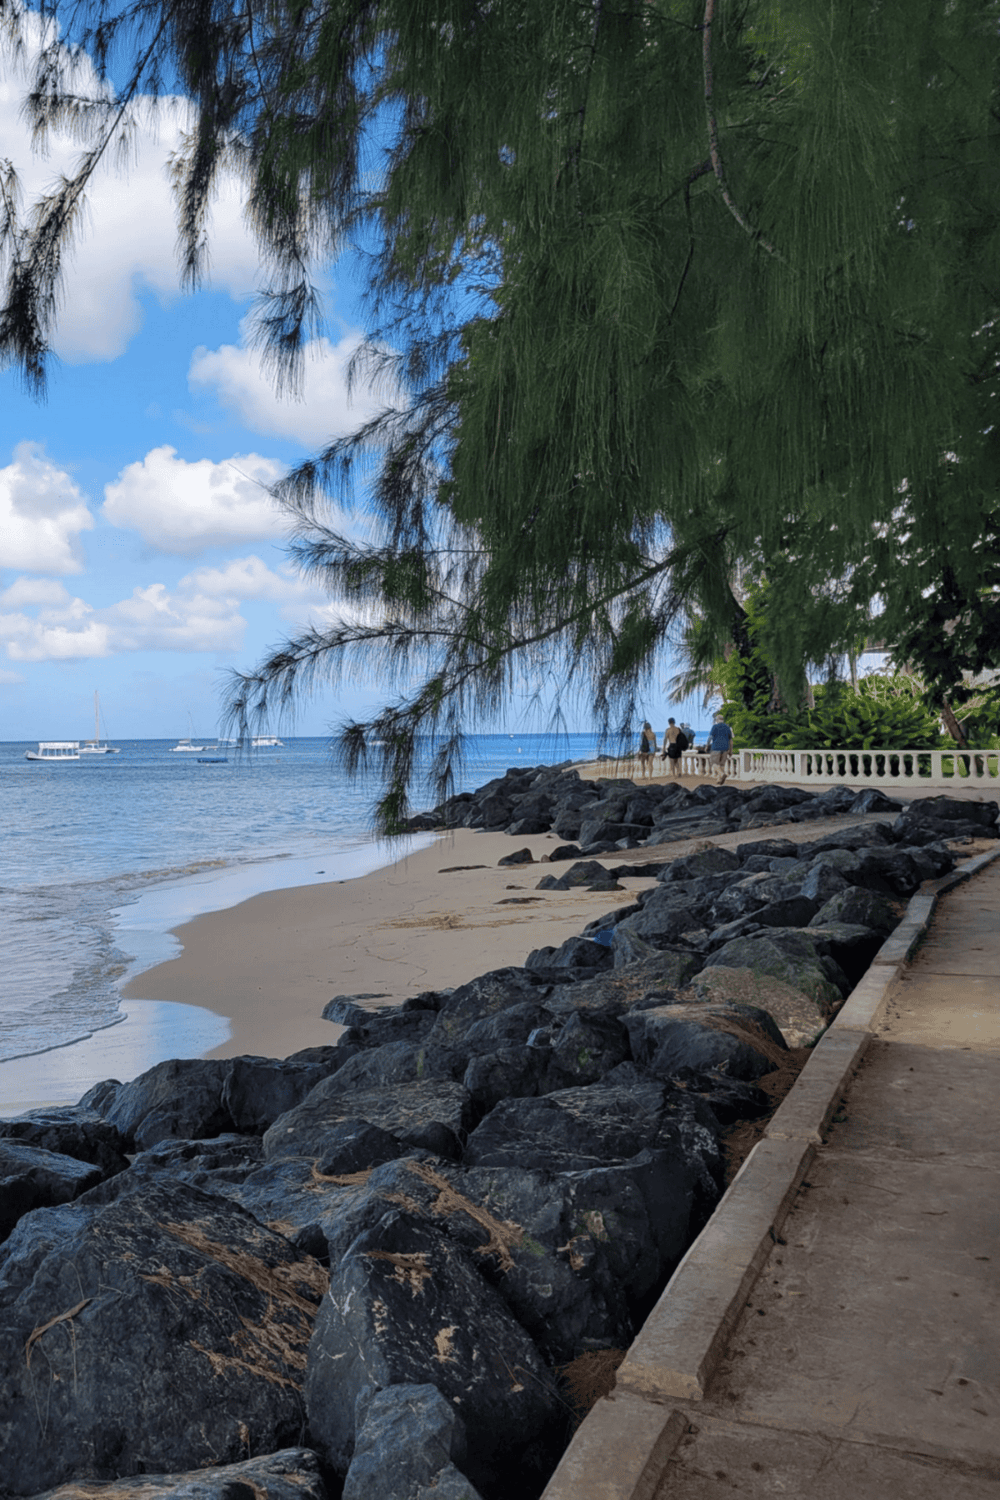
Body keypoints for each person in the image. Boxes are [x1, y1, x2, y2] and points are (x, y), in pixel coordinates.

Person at [707, 712, 733, 783]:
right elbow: (730, 741)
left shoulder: (715, 727)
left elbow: (710, 737)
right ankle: (719, 780)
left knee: (713, 763)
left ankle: (721, 774)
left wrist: (707, 745)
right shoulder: (727, 728)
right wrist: (730, 751)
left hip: (716, 747)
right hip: (725, 748)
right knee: (721, 765)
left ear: (717, 720)